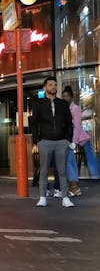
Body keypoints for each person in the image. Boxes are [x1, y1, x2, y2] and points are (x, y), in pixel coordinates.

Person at [31, 76, 75, 207]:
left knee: (62, 171)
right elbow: (34, 123)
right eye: (50, 85)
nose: (53, 87)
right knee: (44, 171)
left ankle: (65, 197)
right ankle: (42, 197)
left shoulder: (63, 104)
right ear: (45, 87)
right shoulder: (38, 104)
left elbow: (69, 123)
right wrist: (37, 140)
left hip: (62, 141)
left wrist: (68, 140)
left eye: (55, 85)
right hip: (45, 141)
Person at [62, 86, 99, 196]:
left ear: (71, 97)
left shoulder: (75, 108)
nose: (64, 98)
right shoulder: (66, 109)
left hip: (80, 137)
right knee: (72, 160)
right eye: (63, 96)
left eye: (67, 96)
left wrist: (73, 141)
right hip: (71, 138)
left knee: (90, 158)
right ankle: (74, 185)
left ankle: (95, 175)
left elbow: (77, 126)